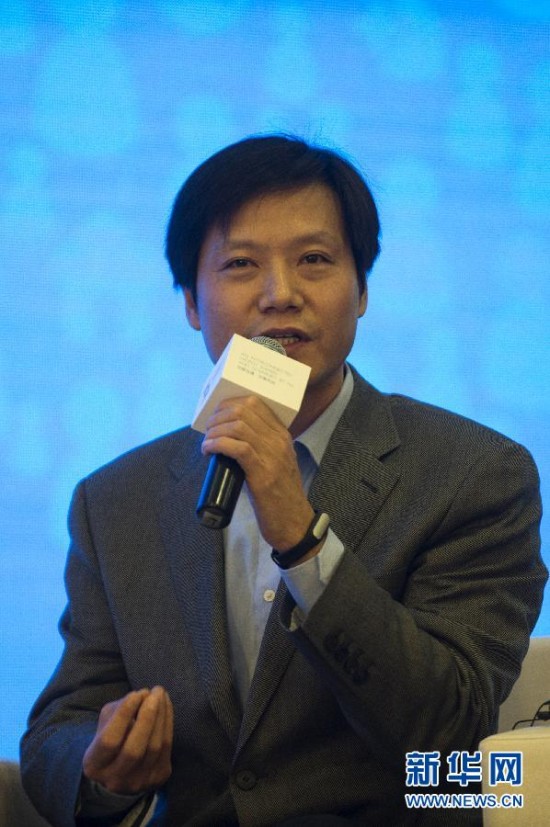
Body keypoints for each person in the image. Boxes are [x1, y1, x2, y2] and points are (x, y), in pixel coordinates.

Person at [21, 135, 547, 827]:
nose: (280, 294)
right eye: (241, 264)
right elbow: (60, 726)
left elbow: (451, 729)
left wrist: (303, 540)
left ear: (362, 289)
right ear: (190, 302)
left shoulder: (474, 473)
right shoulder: (116, 500)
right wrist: (105, 769)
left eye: (314, 260)